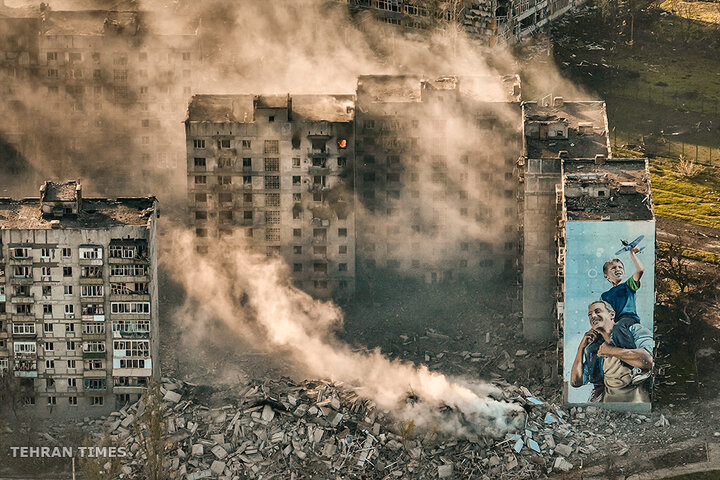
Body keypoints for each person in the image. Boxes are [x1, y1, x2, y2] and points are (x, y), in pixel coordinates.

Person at [584, 247, 645, 401]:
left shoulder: (628, 286)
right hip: (611, 325)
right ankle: (598, 384)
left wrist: (632, 253)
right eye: (613, 268)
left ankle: (636, 367)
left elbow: (640, 270)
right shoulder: (604, 295)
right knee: (591, 348)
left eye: (620, 267)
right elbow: (601, 314)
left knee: (618, 328)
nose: (618, 270)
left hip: (626, 319)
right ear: (606, 276)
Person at [571, 300, 654, 403]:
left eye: (598, 311)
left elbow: (649, 361)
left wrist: (611, 351)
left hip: (637, 404)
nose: (593, 316)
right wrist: (581, 348)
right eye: (590, 314)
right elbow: (576, 381)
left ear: (612, 314)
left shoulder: (632, 329)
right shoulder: (595, 349)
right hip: (608, 407)